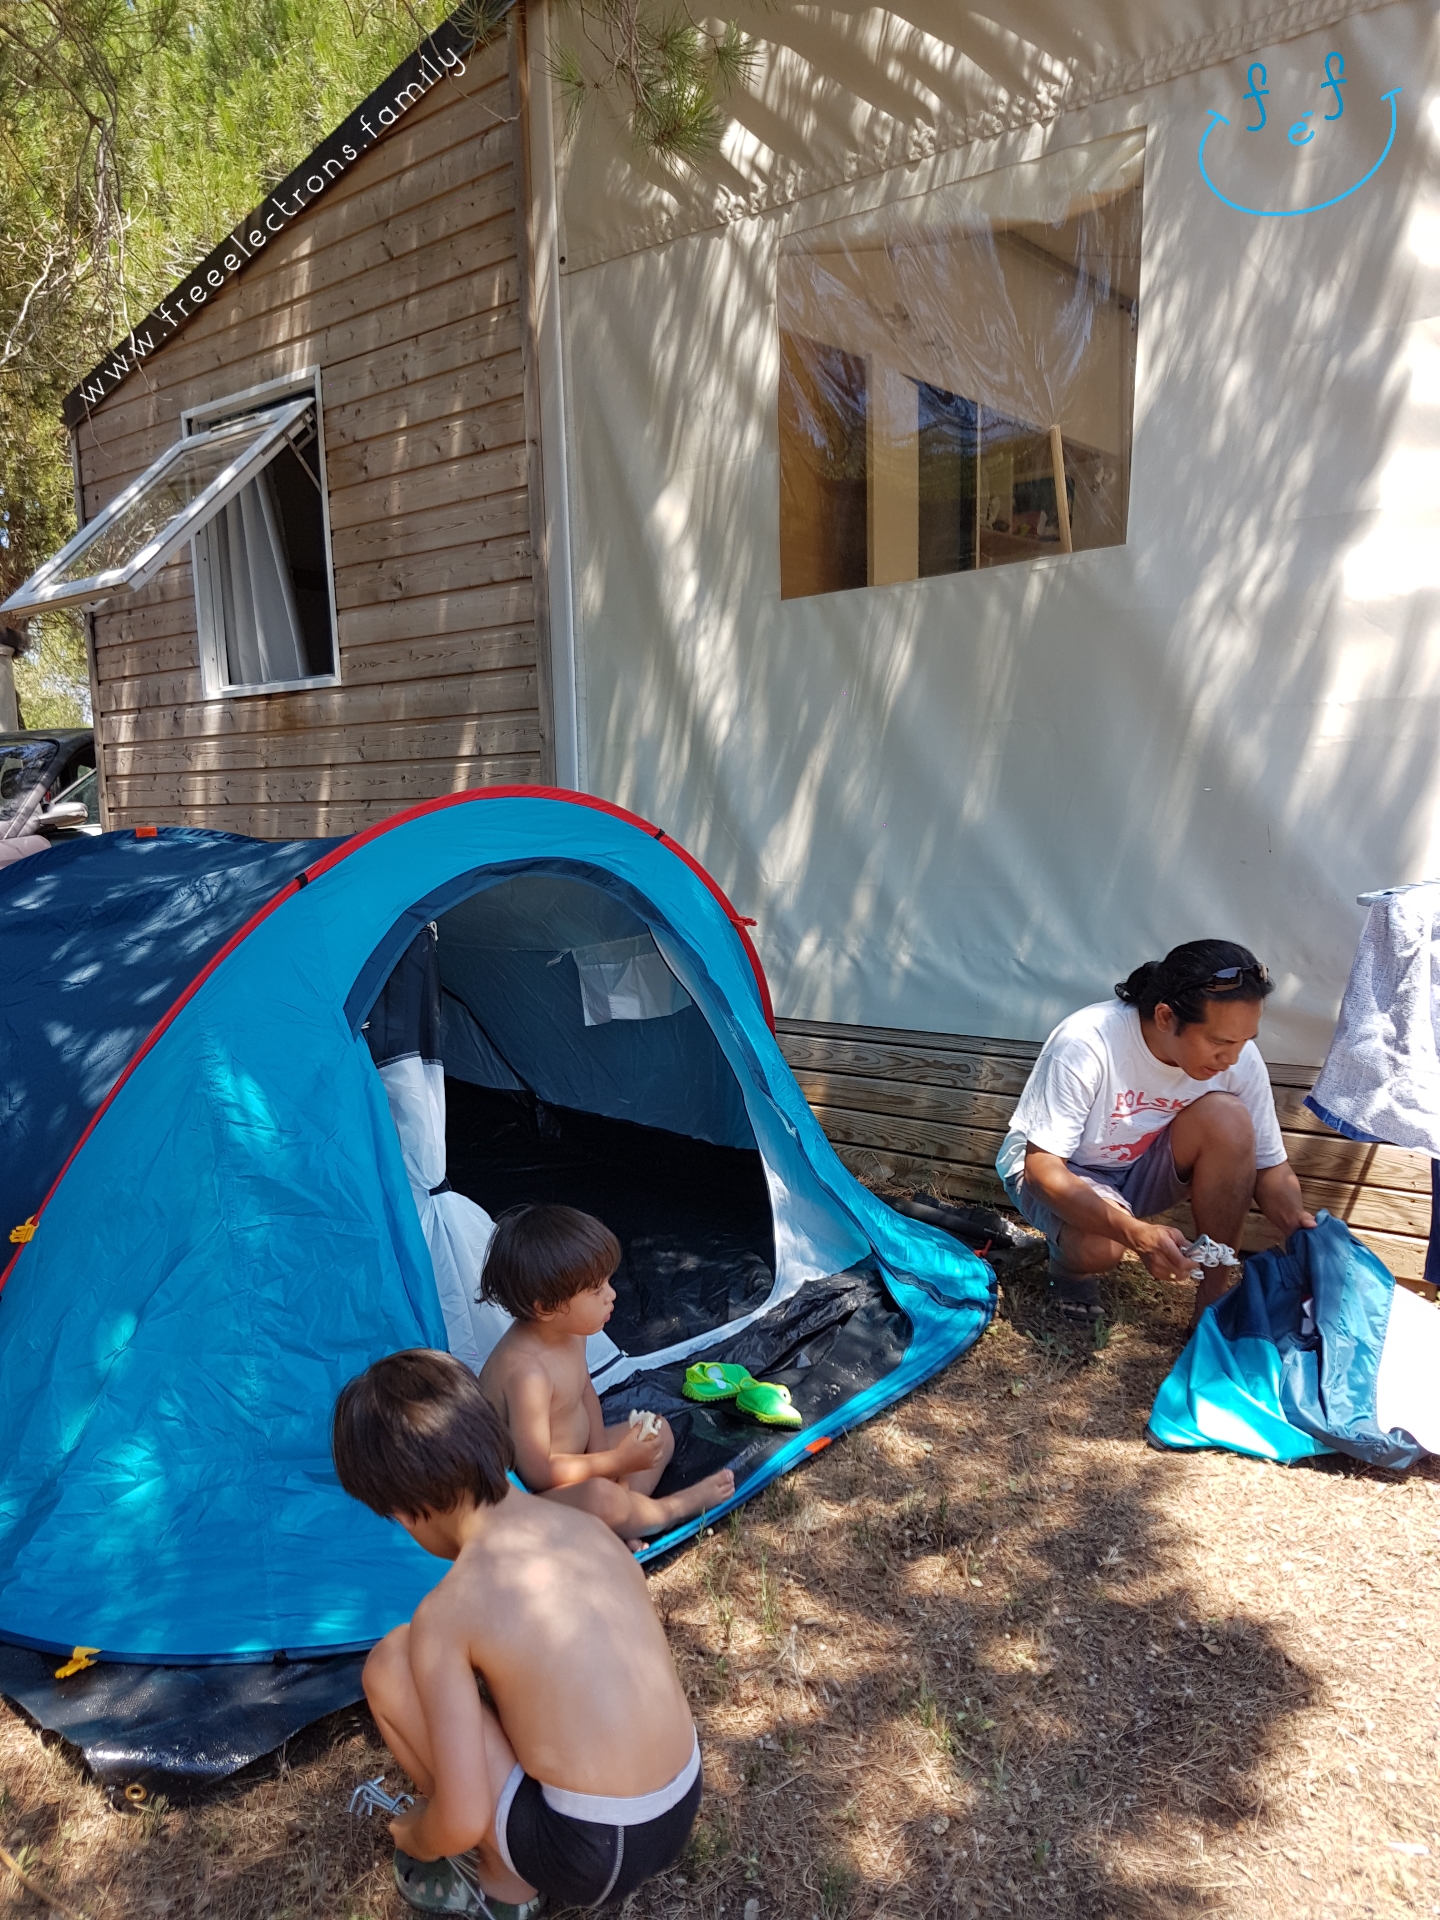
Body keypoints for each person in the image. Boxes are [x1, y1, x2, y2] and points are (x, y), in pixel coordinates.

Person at [332, 1349, 704, 1918]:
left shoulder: (448, 1611)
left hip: (589, 1852)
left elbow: (458, 1817)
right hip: (678, 1805)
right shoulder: (587, 1527)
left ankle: (504, 1887)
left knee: (389, 1664)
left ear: (406, 1515)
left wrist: (411, 1832)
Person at [996, 939, 1316, 1325]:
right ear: (1165, 1017)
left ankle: (1212, 1301)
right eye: (1219, 1041)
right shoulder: (1088, 1040)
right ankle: (1068, 1268)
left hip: (1139, 1167)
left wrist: (1295, 1222)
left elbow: (1270, 1166)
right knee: (1103, 1248)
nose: (1232, 1057)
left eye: (1245, 1041)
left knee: (1228, 1117)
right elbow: (1043, 1171)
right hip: (1062, 1171)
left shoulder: (1237, 1059)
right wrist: (1135, 1233)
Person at [478, 1204, 735, 1541]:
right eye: (596, 1290)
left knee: (658, 1430)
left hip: (581, 1464)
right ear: (546, 1307)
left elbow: (585, 1393)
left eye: (607, 1282)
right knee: (599, 1498)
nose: (612, 1295)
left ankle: (625, 1518)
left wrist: (606, 1457)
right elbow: (538, 1473)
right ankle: (674, 1508)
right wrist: (615, 1462)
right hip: (530, 1502)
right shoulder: (528, 1374)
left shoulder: (571, 1333)